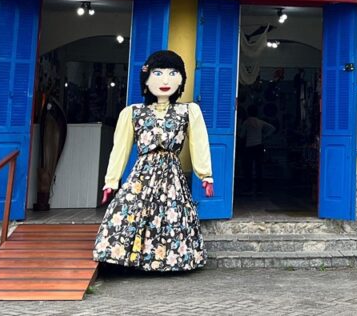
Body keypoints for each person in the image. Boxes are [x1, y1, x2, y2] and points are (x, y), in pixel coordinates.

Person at [93, 50, 214, 272]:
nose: (165, 80)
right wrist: (111, 181)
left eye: (173, 73)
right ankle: (125, 257)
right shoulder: (133, 112)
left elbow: (199, 143)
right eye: (158, 73)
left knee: (171, 214)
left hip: (172, 175)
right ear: (146, 80)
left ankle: (171, 260)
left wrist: (205, 175)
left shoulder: (188, 111)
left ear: (181, 80)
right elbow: (119, 149)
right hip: (142, 174)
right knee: (132, 210)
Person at [238, 105, 275, 195]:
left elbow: (242, 135)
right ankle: (259, 188)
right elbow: (272, 128)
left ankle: (249, 188)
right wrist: (264, 136)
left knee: (248, 168)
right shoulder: (260, 122)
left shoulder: (246, 122)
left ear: (248, 112)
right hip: (259, 146)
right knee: (259, 168)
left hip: (249, 147)